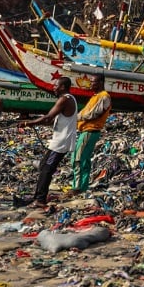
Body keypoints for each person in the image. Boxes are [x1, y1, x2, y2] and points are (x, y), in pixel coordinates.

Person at [18, 77, 78, 208]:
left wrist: (28, 123)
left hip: (61, 142)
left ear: (62, 87)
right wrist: (32, 120)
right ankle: (37, 197)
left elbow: (48, 117)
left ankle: (40, 200)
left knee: (46, 169)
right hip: (59, 140)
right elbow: (50, 120)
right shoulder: (67, 99)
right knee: (44, 166)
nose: (53, 87)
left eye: (56, 85)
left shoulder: (65, 99)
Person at [71, 74, 111, 195]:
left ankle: (77, 187)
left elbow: (92, 114)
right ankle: (82, 186)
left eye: (93, 82)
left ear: (100, 82)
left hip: (90, 131)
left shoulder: (104, 97)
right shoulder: (96, 97)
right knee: (83, 159)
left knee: (78, 159)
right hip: (86, 130)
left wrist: (76, 117)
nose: (91, 84)